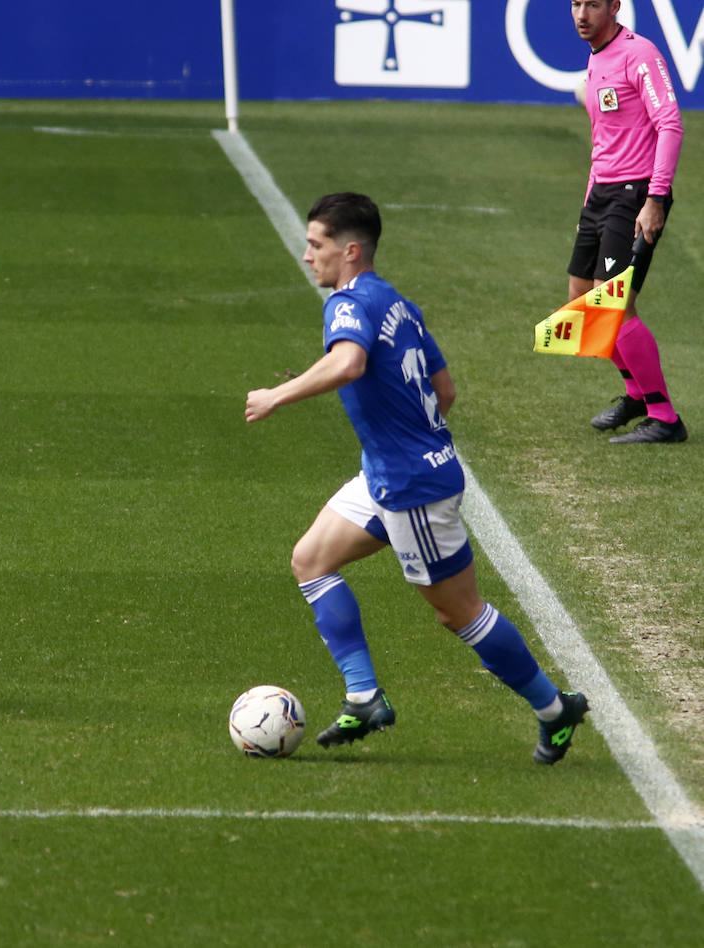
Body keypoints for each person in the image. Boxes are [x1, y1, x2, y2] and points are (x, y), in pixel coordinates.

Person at [245, 193, 588, 764]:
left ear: (349, 250)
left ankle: (555, 710)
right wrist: (408, 439)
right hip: (388, 472)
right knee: (310, 560)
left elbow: (350, 363)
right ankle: (364, 696)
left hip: (411, 490)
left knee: (459, 612)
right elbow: (445, 390)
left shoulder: (348, 303)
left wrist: (277, 395)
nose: (308, 257)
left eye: (316, 245)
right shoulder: (399, 304)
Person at [570, 0, 686, 443]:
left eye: (593, 5)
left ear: (614, 7)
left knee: (614, 304)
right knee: (582, 298)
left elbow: (670, 125)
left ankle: (666, 418)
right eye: (576, 4)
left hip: (635, 192)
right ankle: (636, 394)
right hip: (601, 194)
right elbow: (602, 139)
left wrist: (655, 199)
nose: (582, 14)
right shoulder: (597, 56)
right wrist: (587, 206)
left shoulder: (641, 54)